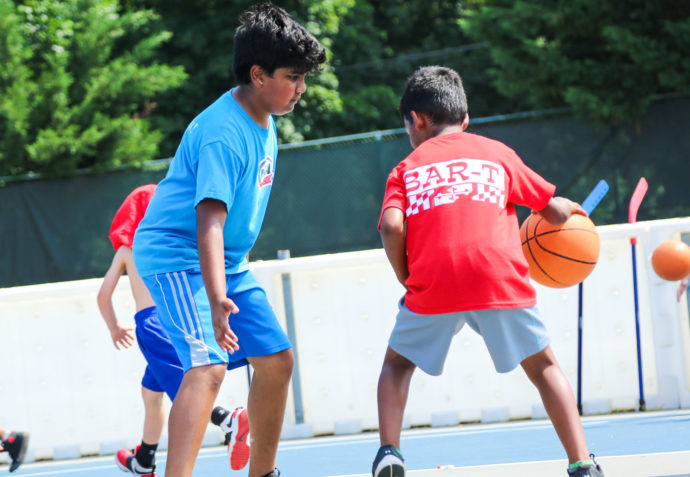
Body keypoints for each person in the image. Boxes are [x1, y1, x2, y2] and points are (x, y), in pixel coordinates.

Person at [372, 66, 604, 477]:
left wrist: (405, 276)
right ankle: (582, 464)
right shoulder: (495, 152)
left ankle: (389, 451)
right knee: (543, 367)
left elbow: (392, 225)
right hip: (498, 278)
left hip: (433, 282)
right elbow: (550, 211)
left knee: (397, 365)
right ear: (465, 121)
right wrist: (573, 209)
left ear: (417, 121)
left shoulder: (405, 169)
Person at [132, 4, 326, 477]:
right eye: (292, 76)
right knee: (207, 367)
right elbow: (209, 222)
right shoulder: (223, 132)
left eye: (304, 77)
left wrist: (224, 282)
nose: (301, 88)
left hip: (226, 261)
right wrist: (218, 298)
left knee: (277, 360)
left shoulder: (266, 116)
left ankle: (263, 473)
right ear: (258, 75)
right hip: (177, 255)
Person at [98, 185, 250, 477]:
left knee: (183, 391)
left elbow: (103, 295)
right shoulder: (175, 242)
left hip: (152, 325)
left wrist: (115, 327)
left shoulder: (128, 249)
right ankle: (145, 457)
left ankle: (227, 419)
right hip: (177, 317)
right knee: (150, 392)